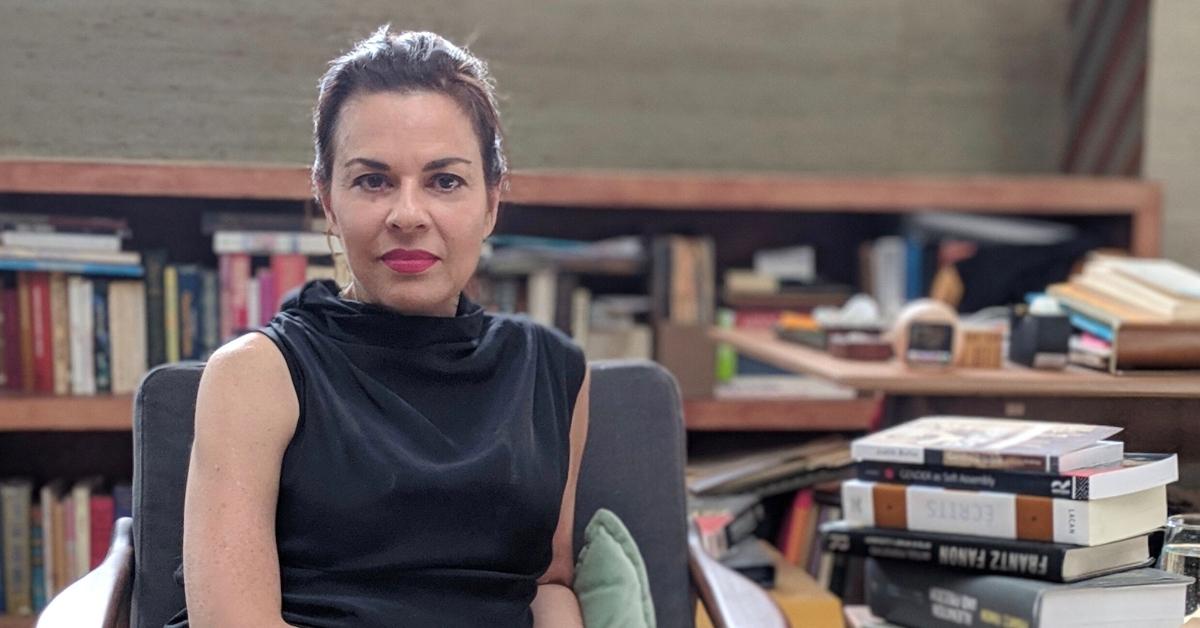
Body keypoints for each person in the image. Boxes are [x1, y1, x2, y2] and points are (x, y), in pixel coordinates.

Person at [169, 27, 590, 628]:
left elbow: (547, 582)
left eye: (445, 181)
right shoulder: (255, 374)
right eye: (374, 180)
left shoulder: (552, 368)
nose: (408, 215)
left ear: (492, 202)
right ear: (329, 201)